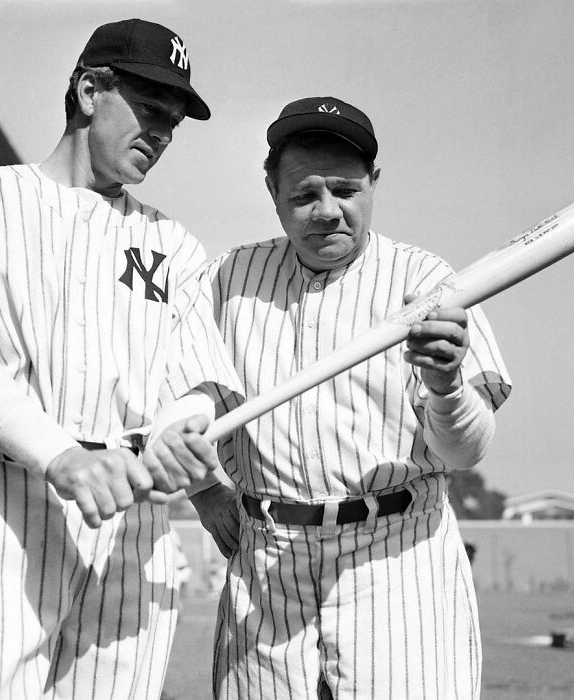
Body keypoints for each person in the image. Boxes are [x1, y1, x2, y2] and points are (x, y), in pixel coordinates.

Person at [0, 18, 241, 699]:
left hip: (130, 515)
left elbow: (201, 383)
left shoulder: (177, 246)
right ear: (89, 90)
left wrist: (179, 433)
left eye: (174, 121)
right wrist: (62, 455)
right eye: (150, 109)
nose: (164, 134)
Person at [188, 96, 512, 699]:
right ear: (271, 189)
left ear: (374, 181)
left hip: (396, 553)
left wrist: (445, 385)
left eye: (345, 189)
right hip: (267, 558)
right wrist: (206, 489)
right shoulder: (229, 279)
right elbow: (173, 388)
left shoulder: (426, 281)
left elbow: (467, 450)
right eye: (304, 194)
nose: (327, 211)